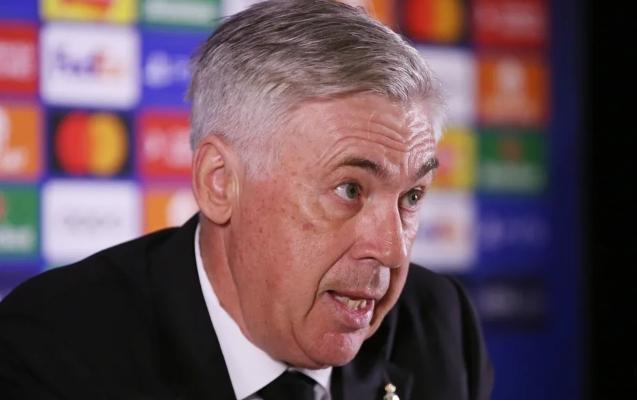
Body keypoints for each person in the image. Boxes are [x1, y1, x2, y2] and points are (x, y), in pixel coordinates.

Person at [0, 1, 493, 399]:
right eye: (350, 190)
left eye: (411, 196)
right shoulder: (53, 351)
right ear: (220, 183)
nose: (392, 249)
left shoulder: (439, 328)